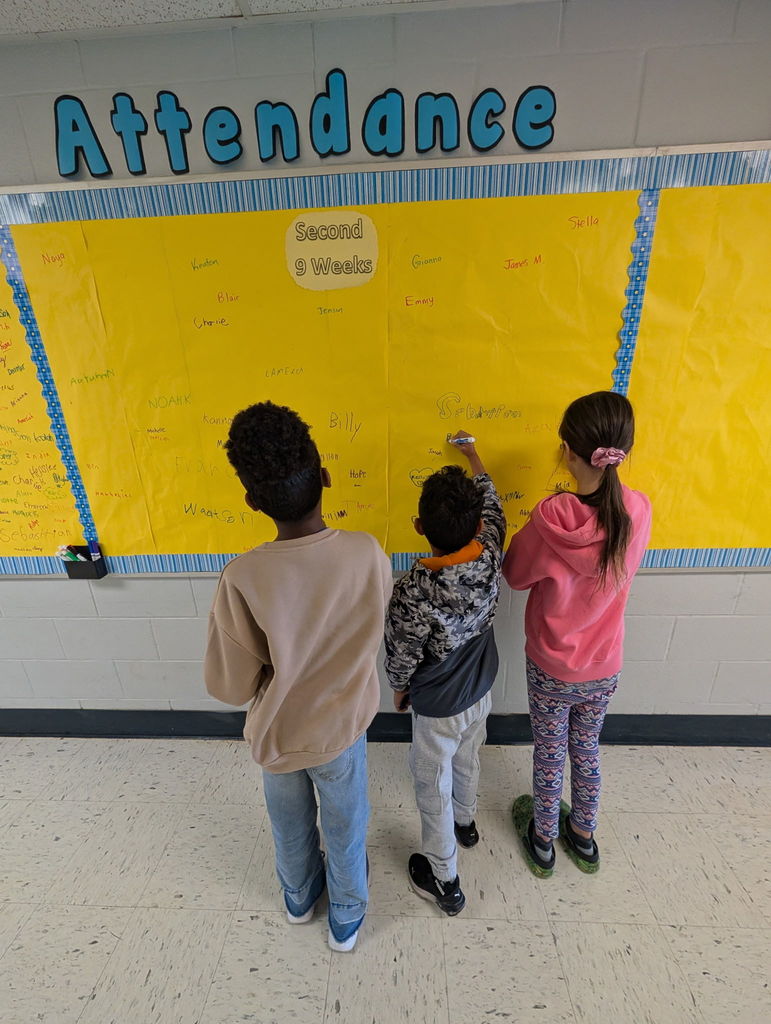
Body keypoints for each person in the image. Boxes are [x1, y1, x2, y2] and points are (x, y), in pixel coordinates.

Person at [204, 401, 392, 952]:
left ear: (251, 500)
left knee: (289, 829)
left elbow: (231, 686)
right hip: (340, 733)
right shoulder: (366, 553)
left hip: (277, 739)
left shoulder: (242, 576)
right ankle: (347, 919)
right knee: (346, 827)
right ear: (326, 477)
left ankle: (297, 898)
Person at [503, 391, 651, 877]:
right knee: (586, 747)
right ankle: (583, 836)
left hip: (551, 665)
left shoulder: (551, 520)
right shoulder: (638, 511)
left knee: (550, 750)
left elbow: (514, 574)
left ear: (566, 450)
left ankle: (543, 839)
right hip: (605, 665)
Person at [385, 430, 506, 915]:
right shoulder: (492, 549)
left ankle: (445, 879)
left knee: (430, 785)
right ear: (478, 523)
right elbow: (494, 506)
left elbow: (401, 651)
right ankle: (468, 822)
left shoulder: (414, 588)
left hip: (437, 709)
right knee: (470, 759)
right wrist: (475, 454)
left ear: (418, 525)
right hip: (482, 691)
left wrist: (398, 689)